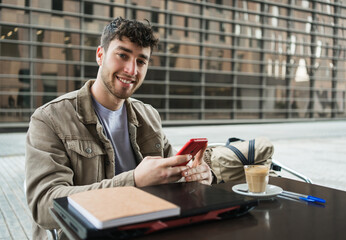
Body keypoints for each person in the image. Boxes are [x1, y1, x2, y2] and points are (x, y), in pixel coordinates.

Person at [25, 17, 212, 239]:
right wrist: (133, 181)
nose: (131, 69)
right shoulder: (50, 118)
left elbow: (172, 176)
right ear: (100, 55)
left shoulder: (149, 116)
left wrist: (197, 177)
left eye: (141, 61)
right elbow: (44, 204)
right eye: (122, 55)